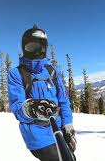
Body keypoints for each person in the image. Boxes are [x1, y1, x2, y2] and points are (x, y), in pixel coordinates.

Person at [8, 25, 76, 161]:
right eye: (31, 47)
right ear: (24, 48)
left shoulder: (52, 71)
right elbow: (17, 106)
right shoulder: (17, 73)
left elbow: (63, 100)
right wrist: (31, 108)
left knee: (70, 158)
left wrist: (67, 125)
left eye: (40, 47)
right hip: (36, 133)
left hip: (57, 128)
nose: (36, 52)